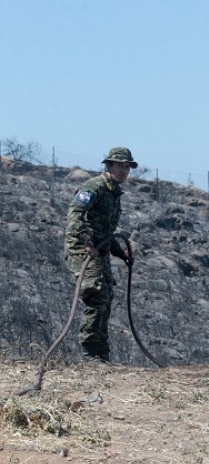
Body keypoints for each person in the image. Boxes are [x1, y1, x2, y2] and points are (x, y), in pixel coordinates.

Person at [63, 146, 137, 362]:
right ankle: (90, 354)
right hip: (82, 250)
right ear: (109, 165)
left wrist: (121, 254)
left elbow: (106, 231)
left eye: (127, 167)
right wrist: (86, 244)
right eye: (120, 166)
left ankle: (101, 356)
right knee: (96, 296)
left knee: (106, 298)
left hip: (100, 250)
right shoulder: (93, 187)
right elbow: (75, 215)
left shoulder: (114, 192)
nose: (124, 171)